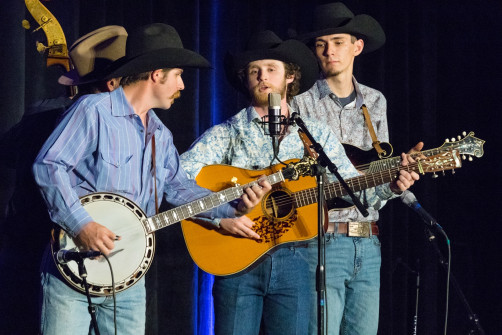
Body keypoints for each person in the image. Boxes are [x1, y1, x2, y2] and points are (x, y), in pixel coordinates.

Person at [32, 23, 270, 335]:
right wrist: (82, 225)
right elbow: (49, 165)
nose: (182, 85)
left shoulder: (160, 134)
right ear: (157, 74)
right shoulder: (94, 111)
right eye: (178, 75)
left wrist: (230, 206)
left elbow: (178, 188)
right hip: (75, 264)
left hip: (128, 274)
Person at [179, 30, 418, 334]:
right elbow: (177, 180)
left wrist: (391, 186)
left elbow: (349, 184)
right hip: (238, 259)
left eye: (271, 69)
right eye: (254, 71)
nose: (262, 76)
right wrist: (221, 215)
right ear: (245, 78)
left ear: (289, 77)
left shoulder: (314, 134)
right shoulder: (228, 133)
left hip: (296, 260)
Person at [292, 3, 423, 334]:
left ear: (357, 46)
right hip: (321, 241)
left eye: (338, 42)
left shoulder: (375, 102)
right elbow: (291, 174)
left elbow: (375, 182)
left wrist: (394, 186)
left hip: (368, 244)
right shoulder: (299, 102)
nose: (329, 51)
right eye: (321, 44)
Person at [0, 25, 127, 334]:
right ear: (113, 85)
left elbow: (6, 155)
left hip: (21, 249)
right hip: (76, 254)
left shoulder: (39, 112)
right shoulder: (112, 124)